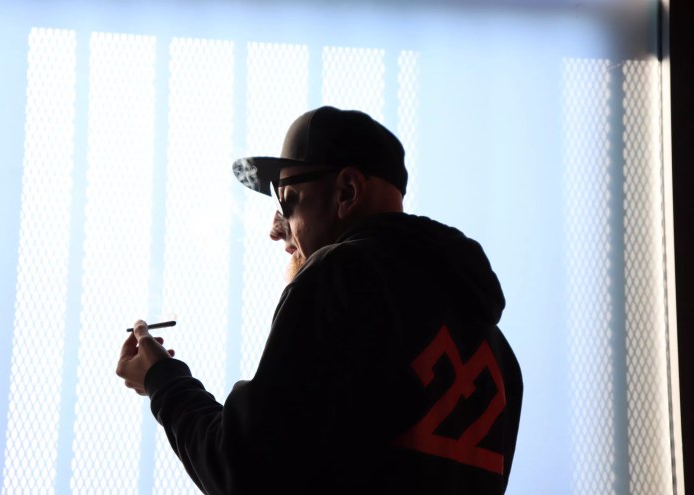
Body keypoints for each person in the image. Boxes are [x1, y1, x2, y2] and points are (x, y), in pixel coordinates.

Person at [116, 106, 523, 494]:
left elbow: (246, 472)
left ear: (347, 191)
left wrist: (162, 381)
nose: (275, 229)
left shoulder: (341, 275)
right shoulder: (498, 356)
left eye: (287, 202)